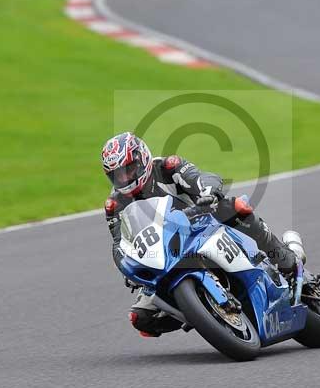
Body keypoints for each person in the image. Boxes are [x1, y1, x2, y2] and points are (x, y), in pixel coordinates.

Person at [101, 131, 304, 337]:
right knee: (141, 318)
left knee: (236, 207)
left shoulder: (168, 167)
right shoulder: (115, 205)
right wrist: (128, 269)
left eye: (129, 169)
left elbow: (201, 178)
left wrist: (209, 193)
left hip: (202, 222)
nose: (125, 178)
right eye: (118, 175)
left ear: (142, 158)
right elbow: (120, 244)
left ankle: (284, 259)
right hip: (165, 255)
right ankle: (201, 312)